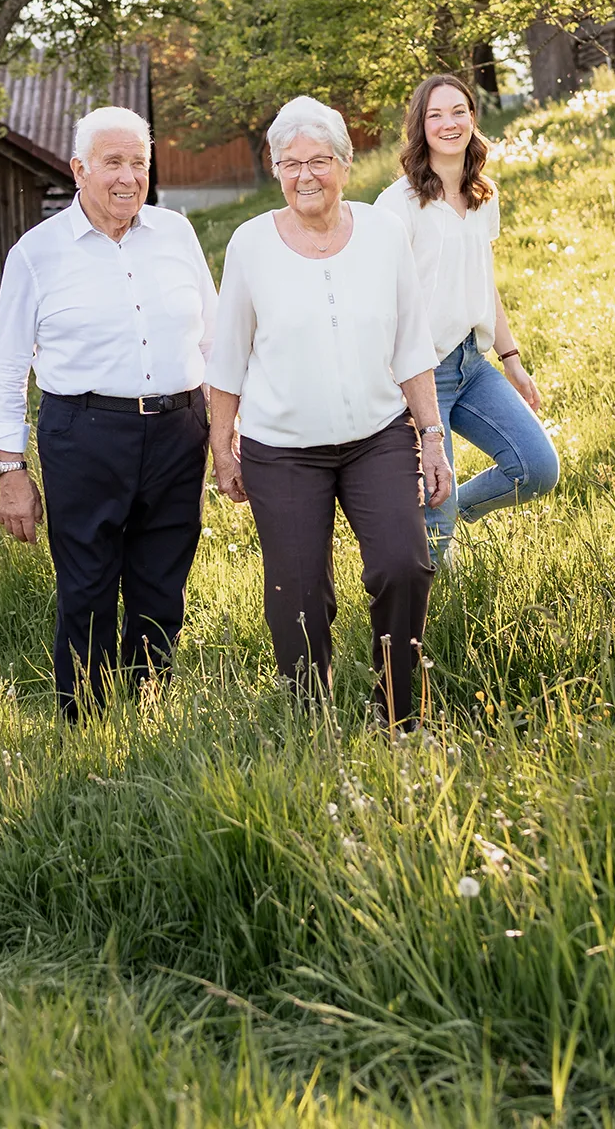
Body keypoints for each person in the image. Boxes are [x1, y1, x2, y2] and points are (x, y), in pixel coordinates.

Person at [208, 96, 453, 729]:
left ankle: (400, 716)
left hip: (378, 436)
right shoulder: (250, 244)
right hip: (281, 449)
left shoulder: (382, 232)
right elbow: (227, 356)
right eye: (291, 163)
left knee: (403, 565)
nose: (305, 175)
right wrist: (222, 445)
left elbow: (410, 346)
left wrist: (431, 437)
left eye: (319, 160)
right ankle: (309, 723)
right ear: (274, 168)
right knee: (297, 597)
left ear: (346, 164)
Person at [0, 105, 217, 719]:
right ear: (79, 169)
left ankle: (146, 716)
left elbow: (215, 340)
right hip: (83, 433)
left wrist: (226, 436)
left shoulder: (177, 235)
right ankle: (83, 723)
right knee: (86, 588)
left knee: (162, 583)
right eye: (113, 162)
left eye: (139, 162)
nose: (128, 177)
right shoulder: (36, 253)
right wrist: (10, 471)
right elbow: (6, 369)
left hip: (179, 429)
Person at [372, 74, 557, 558]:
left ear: (473, 119)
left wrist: (511, 357)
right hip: (418, 374)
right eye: (435, 114)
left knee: (537, 468)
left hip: (472, 365)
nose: (448, 123)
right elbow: (375, 298)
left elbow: (483, 280)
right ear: (420, 126)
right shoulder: (399, 204)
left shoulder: (482, 195)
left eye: (458, 111)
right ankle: (434, 623)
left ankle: (459, 511)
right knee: (434, 516)